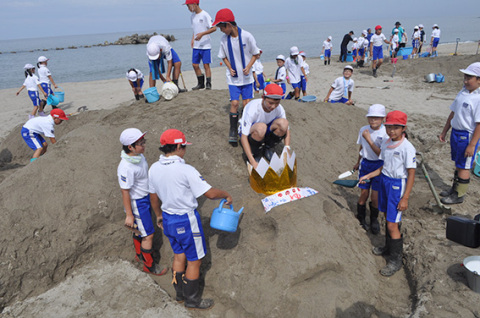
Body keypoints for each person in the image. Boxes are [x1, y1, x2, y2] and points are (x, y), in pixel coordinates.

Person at [148, 128, 232, 310]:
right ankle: (192, 301)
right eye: (184, 146)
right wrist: (225, 194)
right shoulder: (186, 170)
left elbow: (153, 196)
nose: (185, 149)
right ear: (178, 146)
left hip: (168, 218)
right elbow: (209, 194)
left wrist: (159, 215)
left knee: (179, 255)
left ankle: (179, 294)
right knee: (194, 260)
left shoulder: (154, 168)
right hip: (186, 220)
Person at [359, 110, 416, 277]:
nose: (392, 131)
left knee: (392, 223)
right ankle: (388, 247)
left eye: (396, 128)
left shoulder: (407, 148)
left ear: (403, 128)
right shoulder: (386, 144)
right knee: (387, 216)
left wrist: (405, 197)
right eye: (389, 127)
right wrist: (369, 175)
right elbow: (384, 166)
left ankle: (395, 260)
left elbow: (411, 173)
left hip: (397, 186)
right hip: (384, 180)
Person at [117, 128, 168, 276]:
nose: (144, 145)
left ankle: (139, 256)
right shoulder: (126, 167)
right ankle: (149, 266)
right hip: (138, 203)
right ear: (130, 147)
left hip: (145, 198)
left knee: (140, 230)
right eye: (140, 143)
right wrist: (129, 215)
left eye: (143, 141)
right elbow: (125, 191)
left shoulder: (139, 157)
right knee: (148, 235)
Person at [213, 8, 260, 146]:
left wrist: (249, 66)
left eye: (221, 27)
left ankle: (245, 126)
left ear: (228, 24)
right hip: (233, 78)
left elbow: (256, 53)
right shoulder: (224, 39)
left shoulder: (247, 36)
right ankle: (233, 129)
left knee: (246, 104)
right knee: (234, 103)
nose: (221, 30)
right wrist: (229, 67)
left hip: (246, 78)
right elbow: (223, 56)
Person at [438, 62, 480, 204]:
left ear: (479, 80)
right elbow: (453, 112)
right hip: (455, 132)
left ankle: (459, 194)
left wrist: (472, 145)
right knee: (458, 162)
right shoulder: (462, 92)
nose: (466, 81)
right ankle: (454, 188)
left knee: (464, 165)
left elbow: (479, 124)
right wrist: (445, 130)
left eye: (470, 78)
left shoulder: (478, 99)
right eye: (465, 77)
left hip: (467, 136)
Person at [353, 104, 388, 234]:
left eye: (376, 118)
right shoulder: (363, 129)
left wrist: (369, 139)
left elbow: (381, 154)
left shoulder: (385, 133)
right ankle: (361, 217)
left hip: (379, 165)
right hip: (366, 164)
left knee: (375, 197)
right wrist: (358, 162)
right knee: (364, 193)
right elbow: (361, 147)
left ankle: (374, 219)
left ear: (382, 119)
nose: (373, 120)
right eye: (371, 118)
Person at [239, 84, 291, 168]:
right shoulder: (253, 108)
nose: (273, 106)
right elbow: (243, 137)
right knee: (261, 128)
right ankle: (255, 152)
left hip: (266, 128)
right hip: (252, 131)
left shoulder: (279, 108)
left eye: (277, 103)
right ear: (263, 98)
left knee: (284, 123)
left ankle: (268, 147)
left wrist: (287, 149)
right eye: (270, 103)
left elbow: (287, 129)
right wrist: (252, 162)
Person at [184, 0, 216, 90]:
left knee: (206, 65)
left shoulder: (205, 14)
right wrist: (192, 39)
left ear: (194, 4)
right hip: (196, 45)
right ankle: (200, 83)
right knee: (195, 65)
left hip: (206, 45)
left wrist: (202, 34)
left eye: (188, 6)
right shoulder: (192, 16)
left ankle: (208, 83)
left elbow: (214, 28)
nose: (188, 8)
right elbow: (195, 30)